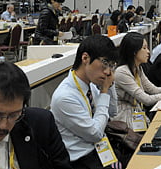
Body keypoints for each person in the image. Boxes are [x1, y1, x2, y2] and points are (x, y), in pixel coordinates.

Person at [50, 35, 118, 169]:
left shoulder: (91, 84)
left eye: (111, 65)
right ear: (85, 58)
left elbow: (112, 112)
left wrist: (110, 85)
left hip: (99, 151)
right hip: (81, 160)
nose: (107, 71)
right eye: (105, 63)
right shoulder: (65, 96)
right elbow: (95, 134)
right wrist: (104, 91)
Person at [112, 32, 161, 130]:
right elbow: (147, 99)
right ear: (134, 51)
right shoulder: (122, 72)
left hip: (135, 114)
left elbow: (153, 89)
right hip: (124, 121)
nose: (148, 52)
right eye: (144, 48)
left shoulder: (137, 68)